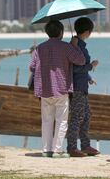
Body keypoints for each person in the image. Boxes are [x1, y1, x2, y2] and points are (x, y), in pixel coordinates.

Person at [29, 20, 85, 158]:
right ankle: (57, 150)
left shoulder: (39, 48)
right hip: (61, 89)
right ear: (61, 32)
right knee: (62, 120)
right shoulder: (66, 47)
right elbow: (81, 60)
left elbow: (32, 67)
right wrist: (75, 46)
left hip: (44, 90)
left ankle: (46, 150)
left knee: (46, 120)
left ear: (47, 32)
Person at [66, 17, 100, 157]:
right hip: (77, 88)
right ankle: (72, 148)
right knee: (77, 117)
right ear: (87, 32)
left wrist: (89, 78)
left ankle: (85, 145)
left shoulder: (78, 45)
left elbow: (79, 68)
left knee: (86, 116)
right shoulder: (76, 46)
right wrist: (91, 66)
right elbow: (74, 68)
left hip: (82, 86)